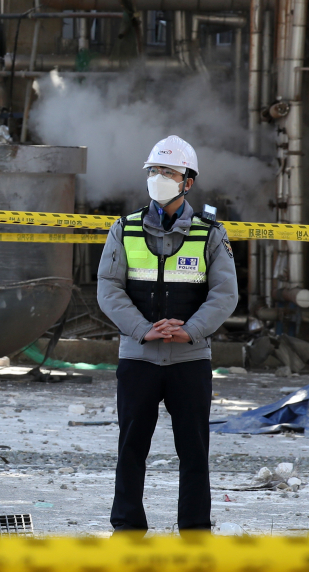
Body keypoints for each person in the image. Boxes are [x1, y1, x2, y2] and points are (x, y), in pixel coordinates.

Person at [97, 135, 239, 533]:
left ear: (187, 181)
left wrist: (190, 331)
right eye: (154, 171)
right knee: (131, 449)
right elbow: (108, 289)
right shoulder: (123, 230)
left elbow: (225, 294)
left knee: (194, 451)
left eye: (168, 172)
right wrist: (144, 330)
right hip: (138, 357)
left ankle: (195, 532)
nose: (158, 178)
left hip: (190, 360)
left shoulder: (211, 232)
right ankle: (127, 529)